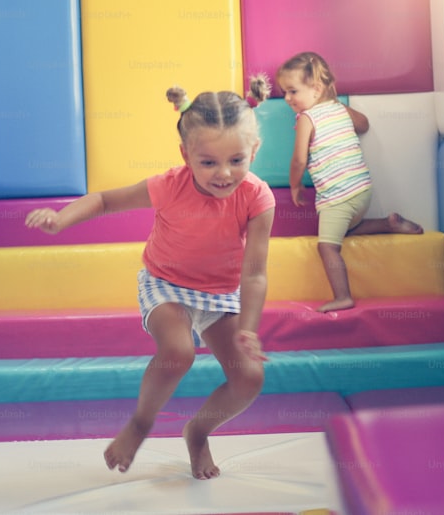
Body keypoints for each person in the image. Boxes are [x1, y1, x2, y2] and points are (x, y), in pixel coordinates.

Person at [24, 78, 275, 480]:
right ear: (186, 154)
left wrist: (248, 328)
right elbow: (105, 200)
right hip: (167, 282)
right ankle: (140, 424)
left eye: (236, 160)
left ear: (254, 152)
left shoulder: (259, 198)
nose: (224, 174)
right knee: (178, 352)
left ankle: (198, 431)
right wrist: (61, 218)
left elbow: (256, 270)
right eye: (208, 162)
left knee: (249, 376)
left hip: (221, 292)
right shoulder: (169, 186)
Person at [275, 51, 423, 313]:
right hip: (362, 190)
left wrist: (295, 185)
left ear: (316, 89)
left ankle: (342, 296)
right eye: (284, 92)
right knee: (347, 231)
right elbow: (363, 125)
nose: (286, 98)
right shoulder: (338, 109)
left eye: (292, 91)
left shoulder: (307, 119)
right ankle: (387, 224)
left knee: (328, 247)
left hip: (338, 198)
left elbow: (299, 159)